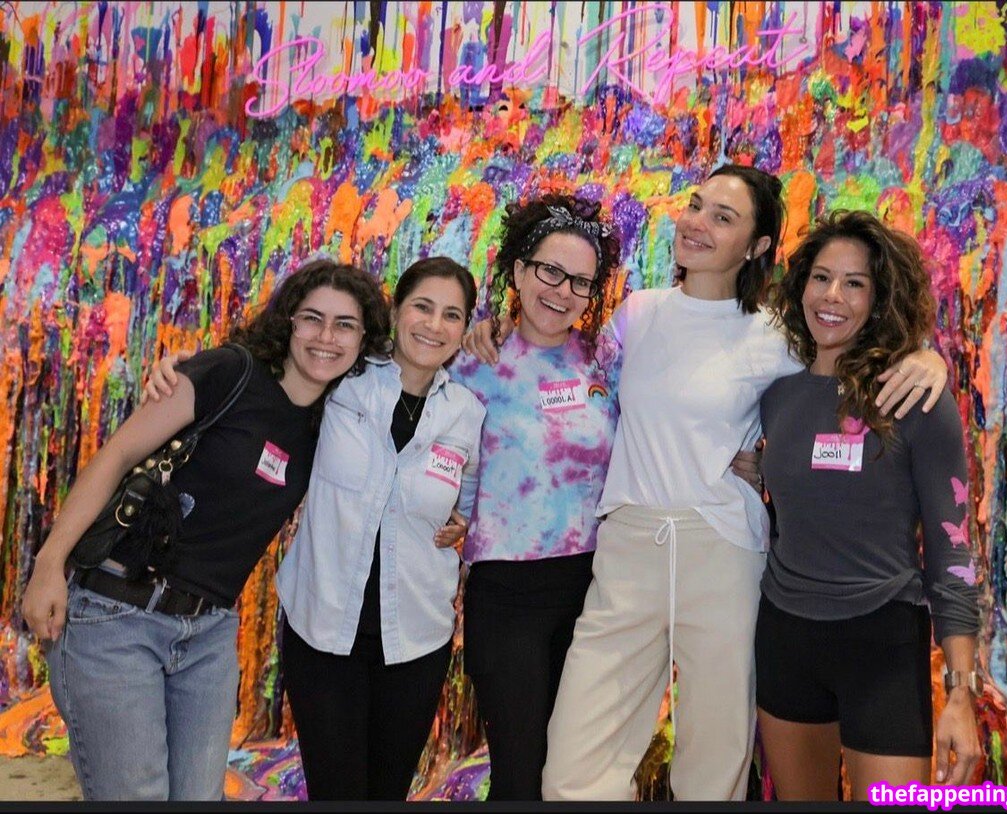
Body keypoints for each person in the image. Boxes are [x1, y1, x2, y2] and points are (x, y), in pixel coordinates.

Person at [466, 165, 949, 801]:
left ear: (757, 246)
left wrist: (924, 354)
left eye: (723, 217)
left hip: (723, 551)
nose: (697, 223)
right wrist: (495, 328)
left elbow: (853, 349)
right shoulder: (638, 314)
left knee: (713, 766)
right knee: (574, 770)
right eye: (696, 206)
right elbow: (566, 363)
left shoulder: (777, 335)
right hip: (629, 548)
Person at [20, 259, 392, 801]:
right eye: (312, 318)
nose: (326, 337)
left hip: (209, 635)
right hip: (116, 615)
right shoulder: (228, 372)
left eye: (345, 325)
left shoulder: (333, 424)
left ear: (364, 339)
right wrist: (50, 562)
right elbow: (117, 455)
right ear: (288, 321)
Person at [146, 257, 485, 801]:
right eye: (422, 306)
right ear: (396, 310)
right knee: (336, 791)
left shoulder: (468, 412)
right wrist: (184, 370)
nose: (434, 324)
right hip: (323, 630)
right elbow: (265, 378)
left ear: (466, 327)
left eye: (452, 314)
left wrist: (462, 520)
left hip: (417, 639)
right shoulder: (343, 379)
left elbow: (469, 499)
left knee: (388, 792)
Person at [754, 210, 980, 799]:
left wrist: (961, 694)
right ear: (801, 285)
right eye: (821, 277)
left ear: (880, 299)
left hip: (883, 642)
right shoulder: (775, 392)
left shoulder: (915, 395)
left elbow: (952, 552)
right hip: (785, 636)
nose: (833, 296)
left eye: (854, 283)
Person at [450, 194, 622, 800]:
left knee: (575, 772)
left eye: (580, 281)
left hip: (595, 593)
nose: (563, 291)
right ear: (519, 271)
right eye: (550, 270)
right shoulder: (471, 361)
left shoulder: (605, 361)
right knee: (521, 770)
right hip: (507, 593)